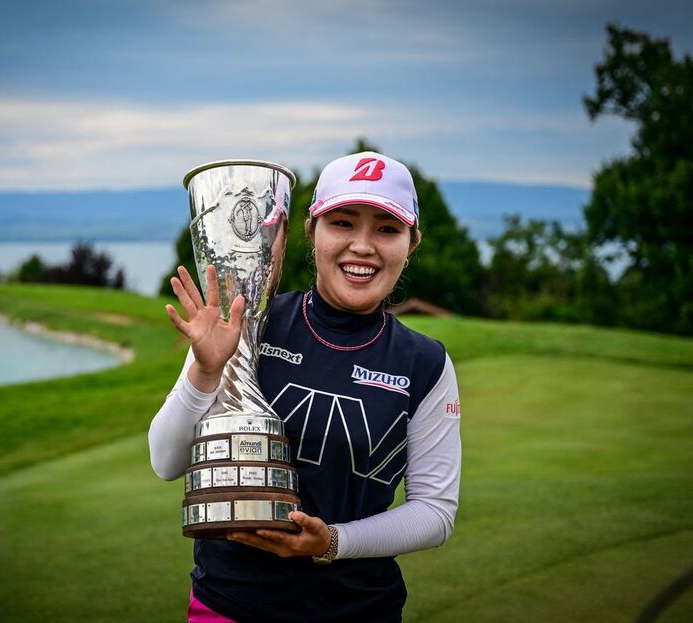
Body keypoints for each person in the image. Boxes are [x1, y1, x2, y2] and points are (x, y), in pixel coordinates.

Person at [149, 151, 462, 623]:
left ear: (411, 243)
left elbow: (435, 512)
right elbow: (166, 462)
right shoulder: (248, 321)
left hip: (361, 611)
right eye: (342, 223)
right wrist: (205, 370)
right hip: (230, 606)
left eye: (386, 228)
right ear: (310, 233)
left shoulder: (425, 363)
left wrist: (331, 542)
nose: (363, 245)